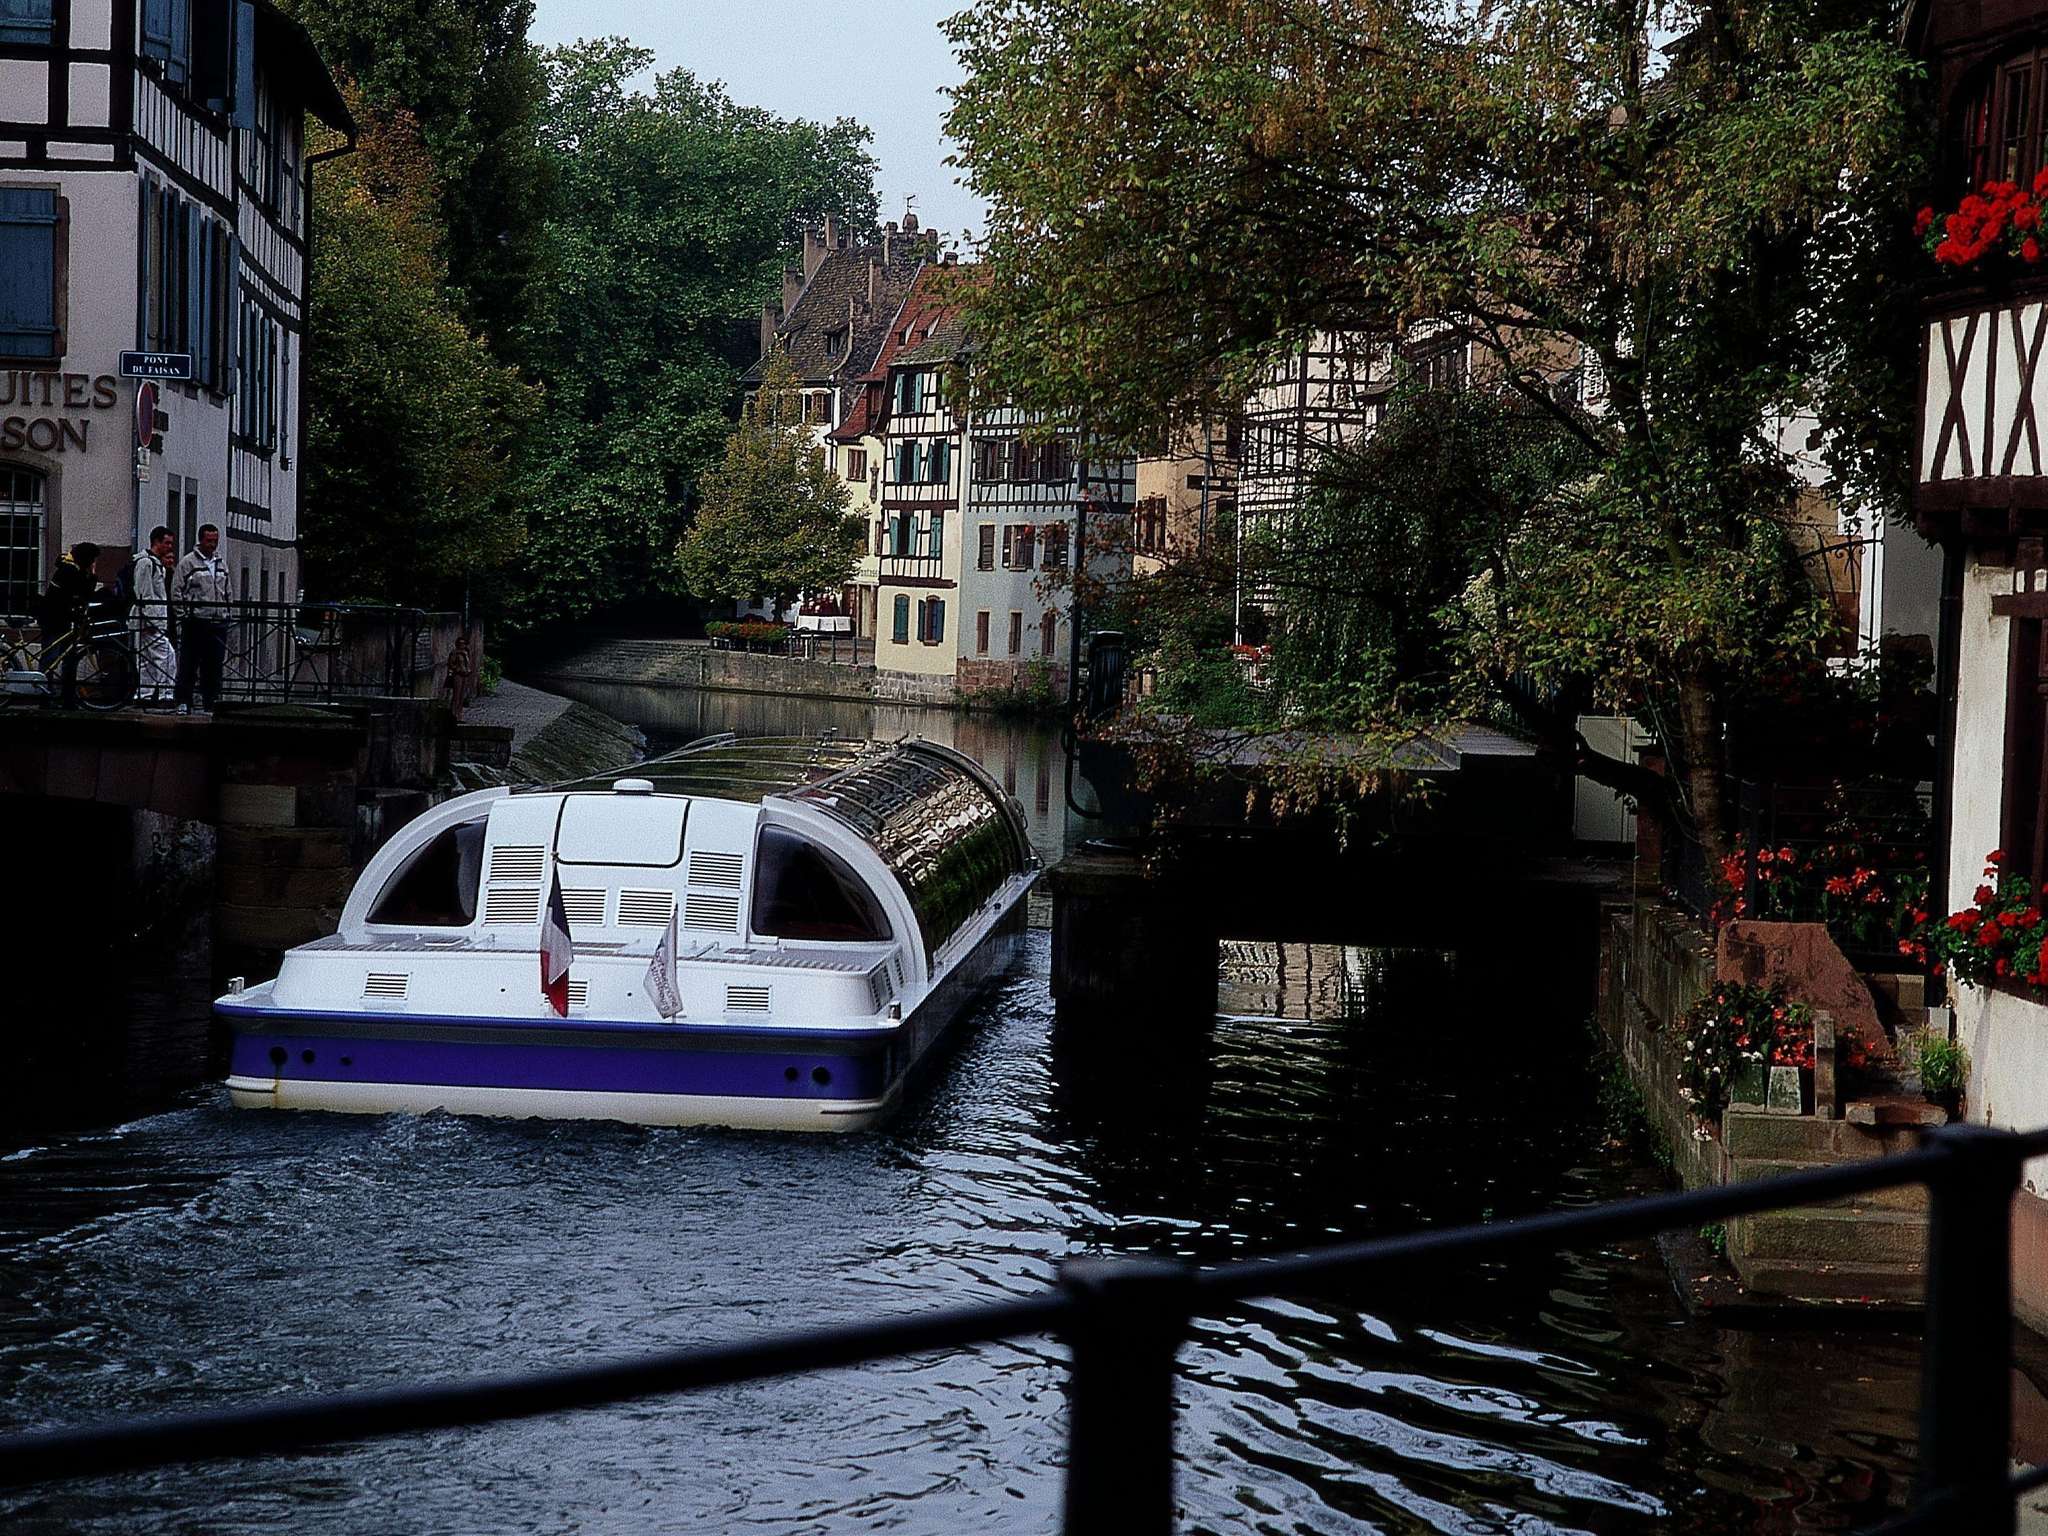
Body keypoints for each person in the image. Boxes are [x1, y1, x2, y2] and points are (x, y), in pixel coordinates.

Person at [171, 523, 229, 714]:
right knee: (189, 663)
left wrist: (227, 612)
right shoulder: (188, 563)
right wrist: (184, 615)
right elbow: (176, 590)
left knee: (213, 665)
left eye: (215, 541)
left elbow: (227, 589)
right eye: (209, 541)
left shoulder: (221, 563)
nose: (213, 545)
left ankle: (210, 701)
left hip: (217, 621)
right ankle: (184, 701)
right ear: (201, 540)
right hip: (196, 621)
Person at [131, 525, 177, 706]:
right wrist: (153, 619)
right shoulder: (147, 563)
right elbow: (145, 593)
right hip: (150, 619)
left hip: (151, 618)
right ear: (157, 542)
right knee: (166, 656)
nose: (170, 547)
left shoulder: (152, 562)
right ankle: (166, 694)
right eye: (167, 543)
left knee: (147, 659)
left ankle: (145, 694)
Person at [36, 542, 99, 661]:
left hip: (60, 617)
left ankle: (62, 677)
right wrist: (93, 576)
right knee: (51, 656)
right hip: (54, 618)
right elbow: (85, 593)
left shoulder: (69, 567)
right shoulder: (71, 571)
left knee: (66, 653)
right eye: (93, 560)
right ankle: (41, 679)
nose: (93, 563)